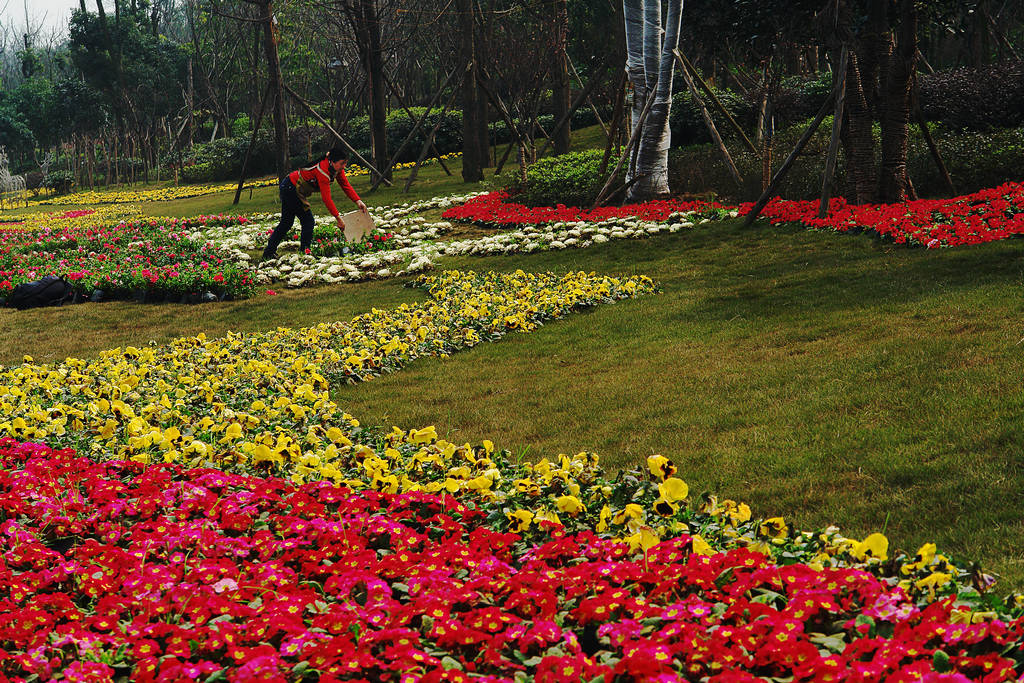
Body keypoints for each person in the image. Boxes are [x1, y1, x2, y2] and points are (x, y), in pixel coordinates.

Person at [261, 147, 369, 261]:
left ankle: (269, 253)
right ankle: (304, 254)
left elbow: (345, 185)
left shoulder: (336, 169)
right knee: (307, 221)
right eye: (342, 163)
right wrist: (338, 218)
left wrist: (358, 201)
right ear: (332, 162)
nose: (344, 167)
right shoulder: (323, 171)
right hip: (291, 189)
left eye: (345, 163)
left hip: (289, 186)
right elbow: (326, 199)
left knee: (286, 223)